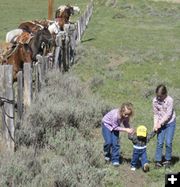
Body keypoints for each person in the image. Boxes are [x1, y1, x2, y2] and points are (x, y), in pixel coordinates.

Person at [101, 102, 134, 166]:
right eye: (125, 114)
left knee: (115, 143)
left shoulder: (126, 115)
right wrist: (126, 130)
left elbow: (126, 123)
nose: (127, 116)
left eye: (128, 115)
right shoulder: (115, 116)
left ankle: (115, 160)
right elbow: (115, 127)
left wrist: (129, 129)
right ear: (121, 111)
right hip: (106, 125)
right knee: (108, 142)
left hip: (115, 126)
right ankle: (107, 154)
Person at [153, 84, 176, 168]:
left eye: (160, 96)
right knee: (159, 142)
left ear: (165, 94)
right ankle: (158, 161)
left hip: (170, 123)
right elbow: (155, 114)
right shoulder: (155, 101)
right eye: (157, 96)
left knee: (168, 142)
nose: (159, 98)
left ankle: (167, 160)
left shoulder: (170, 100)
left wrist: (160, 123)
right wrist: (155, 124)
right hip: (160, 124)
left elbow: (168, 115)